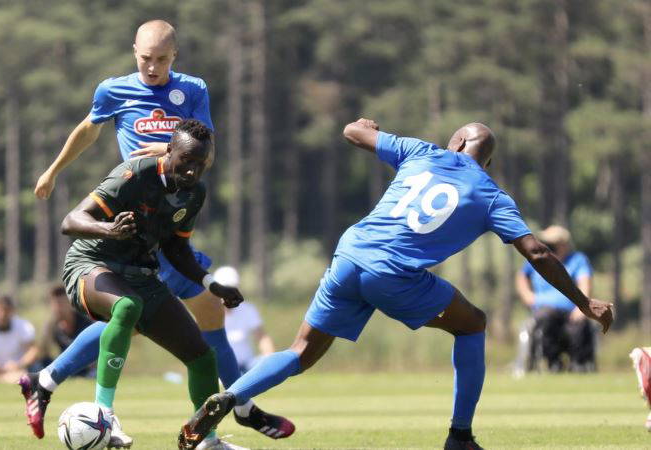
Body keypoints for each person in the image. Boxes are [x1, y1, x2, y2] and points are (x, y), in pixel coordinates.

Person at [178, 119, 615, 450]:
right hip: (393, 274)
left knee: (300, 352)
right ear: (487, 163)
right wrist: (584, 302)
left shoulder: (420, 151)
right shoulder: (492, 195)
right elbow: (537, 253)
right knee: (473, 324)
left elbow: (352, 132)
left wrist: (367, 125)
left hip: (350, 254)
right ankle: (460, 436)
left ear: (456, 143)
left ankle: (230, 397)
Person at [27, 19, 293, 447]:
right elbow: (89, 130)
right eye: (146, 59)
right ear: (134, 52)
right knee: (130, 314)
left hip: (165, 217)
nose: (153, 68)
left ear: (175, 56)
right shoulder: (115, 95)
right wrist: (54, 170)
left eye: (162, 60)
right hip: (134, 222)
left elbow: (206, 149)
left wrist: (172, 152)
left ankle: (228, 409)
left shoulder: (192, 92)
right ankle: (234, 404)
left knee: (196, 320)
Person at [24, 119, 246, 450]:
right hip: (90, 264)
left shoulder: (194, 193)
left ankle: (206, 442)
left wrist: (212, 284)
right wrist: (109, 230)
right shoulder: (135, 174)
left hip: (141, 275)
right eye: (186, 160)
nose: (192, 171)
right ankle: (104, 414)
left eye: (200, 164)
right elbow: (71, 221)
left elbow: (177, 249)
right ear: (169, 151)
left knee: (202, 357)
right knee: (127, 306)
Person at [515, 225, 596, 372]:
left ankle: (578, 366)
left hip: (571, 311)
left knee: (579, 326)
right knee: (546, 318)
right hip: (545, 309)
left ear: (563, 245)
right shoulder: (538, 258)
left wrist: (582, 307)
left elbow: (585, 283)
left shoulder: (578, 260)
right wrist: (527, 295)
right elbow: (522, 276)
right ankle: (553, 364)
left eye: (552, 244)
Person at [215, 266, 276, 372]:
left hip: (248, 366)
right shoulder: (209, 312)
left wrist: (271, 360)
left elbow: (262, 337)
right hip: (220, 369)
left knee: (264, 362)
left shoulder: (248, 309)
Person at [37, 284, 94, 376]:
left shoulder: (86, 323)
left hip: (85, 366)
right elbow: (43, 352)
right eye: (55, 304)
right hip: (66, 366)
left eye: (61, 304)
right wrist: (48, 333)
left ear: (70, 303)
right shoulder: (52, 326)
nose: (58, 308)